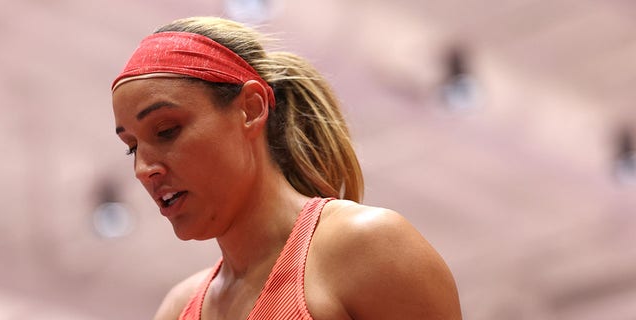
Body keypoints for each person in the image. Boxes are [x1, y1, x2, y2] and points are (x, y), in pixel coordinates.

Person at [111, 16, 462, 320]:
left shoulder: (368, 248)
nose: (144, 169)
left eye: (167, 131)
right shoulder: (179, 308)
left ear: (250, 108)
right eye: (132, 148)